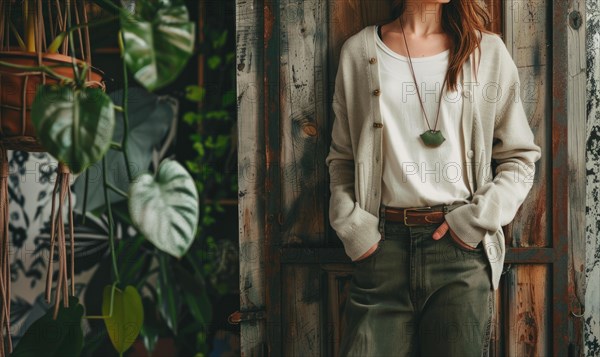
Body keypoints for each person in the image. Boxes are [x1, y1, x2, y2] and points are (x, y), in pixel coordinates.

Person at [325, 0, 542, 356]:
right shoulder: (359, 52)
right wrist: (354, 229)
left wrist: (473, 223)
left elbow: (519, 158)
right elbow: (342, 159)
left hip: (458, 256)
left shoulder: (486, 53)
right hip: (381, 250)